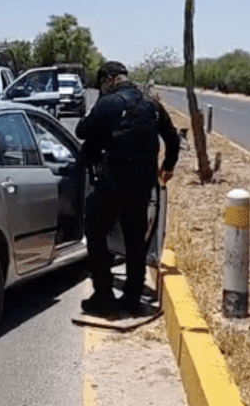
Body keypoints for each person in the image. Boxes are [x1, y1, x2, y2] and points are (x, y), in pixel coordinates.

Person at [76, 61, 180, 315]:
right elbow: (172, 137)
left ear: (109, 79)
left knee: (96, 234)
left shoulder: (109, 103)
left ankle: (103, 294)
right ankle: (132, 296)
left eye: (102, 83)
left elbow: (82, 131)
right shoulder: (152, 104)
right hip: (143, 184)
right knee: (135, 240)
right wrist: (168, 166)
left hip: (112, 183)